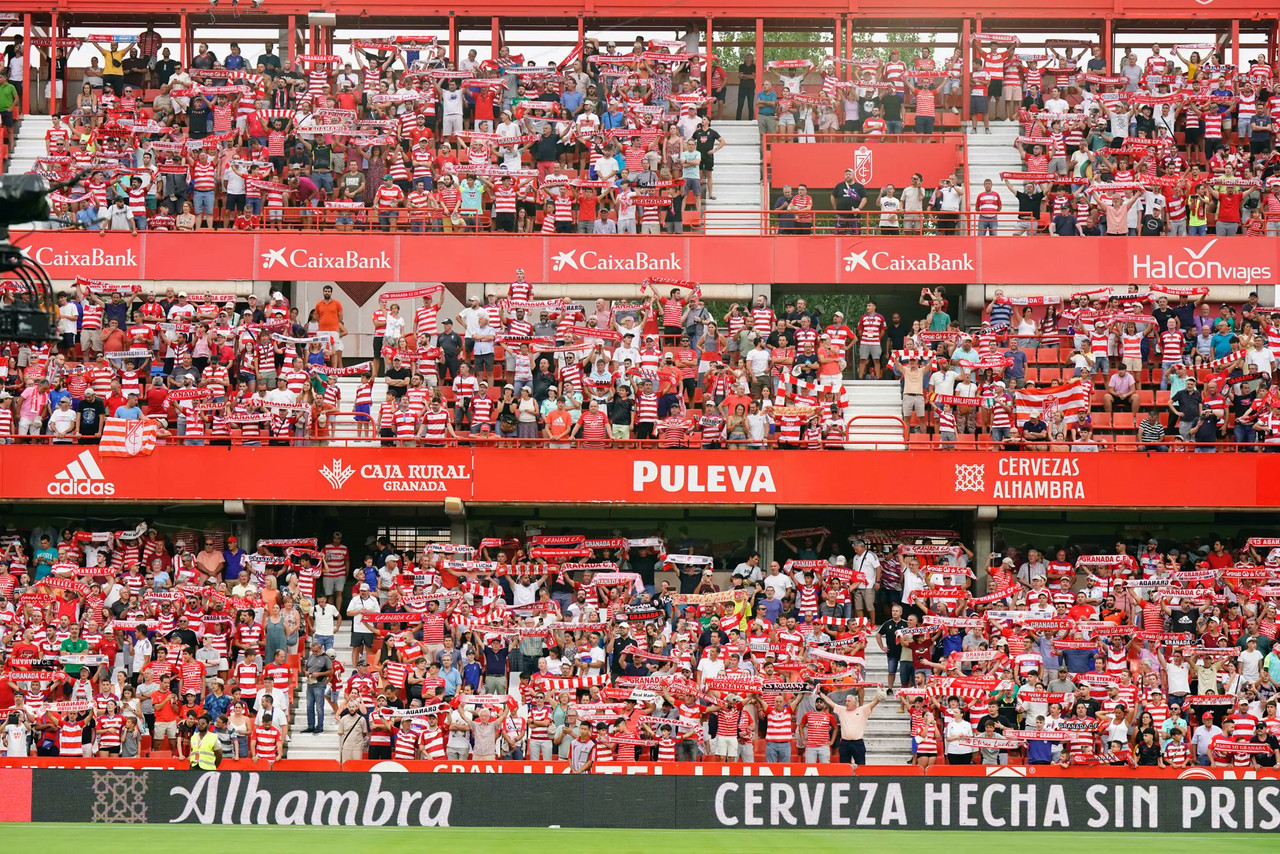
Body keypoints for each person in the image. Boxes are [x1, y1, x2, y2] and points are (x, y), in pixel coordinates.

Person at [816, 689, 884, 766]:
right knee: (844, 767)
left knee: (861, 766)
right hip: (845, 743)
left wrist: (880, 692)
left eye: (849, 701)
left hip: (858, 743)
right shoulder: (842, 710)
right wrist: (820, 693)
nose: (846, 703)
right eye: (846, 701)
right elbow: (830, 702)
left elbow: (873, 703)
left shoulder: (862, 710)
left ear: (855, 703)